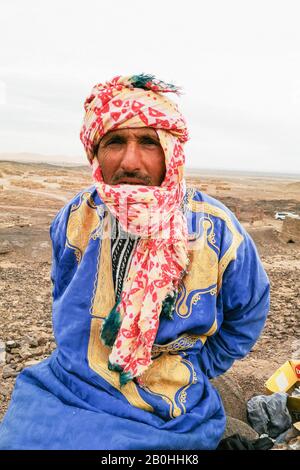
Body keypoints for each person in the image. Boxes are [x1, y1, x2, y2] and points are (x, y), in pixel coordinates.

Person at [0, 74, 270, 450]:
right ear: (96, 152)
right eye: (115, 142)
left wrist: (200, 368)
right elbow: (62, 289)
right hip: (68, 385)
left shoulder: (218, 228)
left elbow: (249, 310)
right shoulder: (77, 216)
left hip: (167, 402)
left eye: (148, 142)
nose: (130, 162)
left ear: (171, 150)